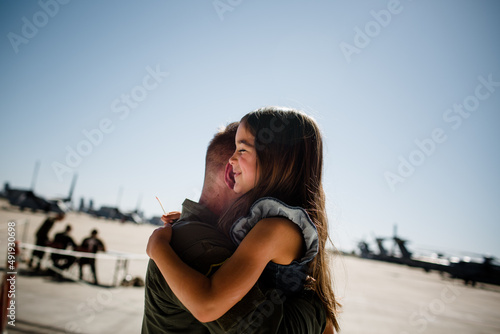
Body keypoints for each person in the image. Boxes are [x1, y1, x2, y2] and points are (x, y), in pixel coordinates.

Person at [147, 107, 340, 332]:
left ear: (275, 158)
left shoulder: (273, 230)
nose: (232, 159)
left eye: (242, 149)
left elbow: (207, 305)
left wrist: (157, 247)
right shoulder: (274, 223)